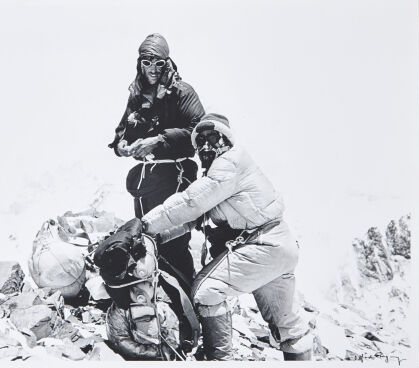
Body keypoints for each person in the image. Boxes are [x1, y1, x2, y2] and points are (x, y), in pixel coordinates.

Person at [140, 113, 313, 361]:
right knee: (288, 324)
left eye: (213, 138)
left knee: (206, 291)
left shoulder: (229, 163)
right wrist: (155, 236)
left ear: (227, 139)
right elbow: (194, 219)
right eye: (200, 142)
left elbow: (190, 204)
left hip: (262, 244)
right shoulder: (222, 174)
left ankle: (220, 359)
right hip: (278, 247)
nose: (206, 146)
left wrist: (144, 224)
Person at [108, 33, 205, 290]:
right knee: (149, 238)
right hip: (147, 180)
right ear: (139, 63)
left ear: (167, 62)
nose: (152, 68)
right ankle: (161, 300)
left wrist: (159, 141)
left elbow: (200, 132)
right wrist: (121, 144)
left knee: (174, 241)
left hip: (177, 176)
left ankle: (187, 301)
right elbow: (122, 131)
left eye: (158, 62)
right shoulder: (137, 94)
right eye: (146, 61)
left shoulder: (183, 93)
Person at [93, 218, 200, 360]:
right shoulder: (119, 311)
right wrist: (152, 353)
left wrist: (171, 347)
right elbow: (120, 340)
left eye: (151, 284)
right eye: (149, 284)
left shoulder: (161, 305)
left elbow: (173, 328)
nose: (153, 286)